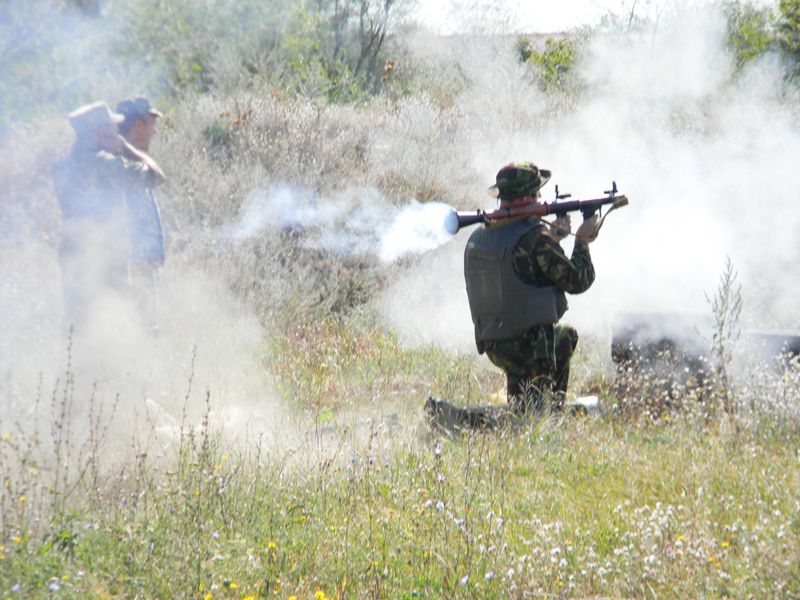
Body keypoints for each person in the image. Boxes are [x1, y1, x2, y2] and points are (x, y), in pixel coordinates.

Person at [426, 161, 598, 430]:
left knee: (527, 403)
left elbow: (523, 272)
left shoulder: (482, 235)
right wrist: (582, 241)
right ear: (528, 198)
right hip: (530, 344)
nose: (540, 199)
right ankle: (455, 420)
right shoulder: (534, 239)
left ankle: (550, 417)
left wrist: (553, 239)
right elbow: (578, 280)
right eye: (537, 195)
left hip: (497, 342)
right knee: (529, 421)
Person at [52, 101, 165, 330]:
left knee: (79, 323)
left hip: (73, 254)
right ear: (100, 131)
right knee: (113, 324)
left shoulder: (62, 166)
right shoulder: (104, 164)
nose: (116, 132)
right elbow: (157, 175)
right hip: (104, 254)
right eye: (111, 128)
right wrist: (125, 148)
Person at [115, 96, 167, 333]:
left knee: (149, 326)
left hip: (140, 261)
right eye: (151, 124)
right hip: (132, 263)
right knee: (141, 329)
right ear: (137, 126)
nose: (154, 132)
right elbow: (158, 176)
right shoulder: (124, 162)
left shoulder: (123, 160)